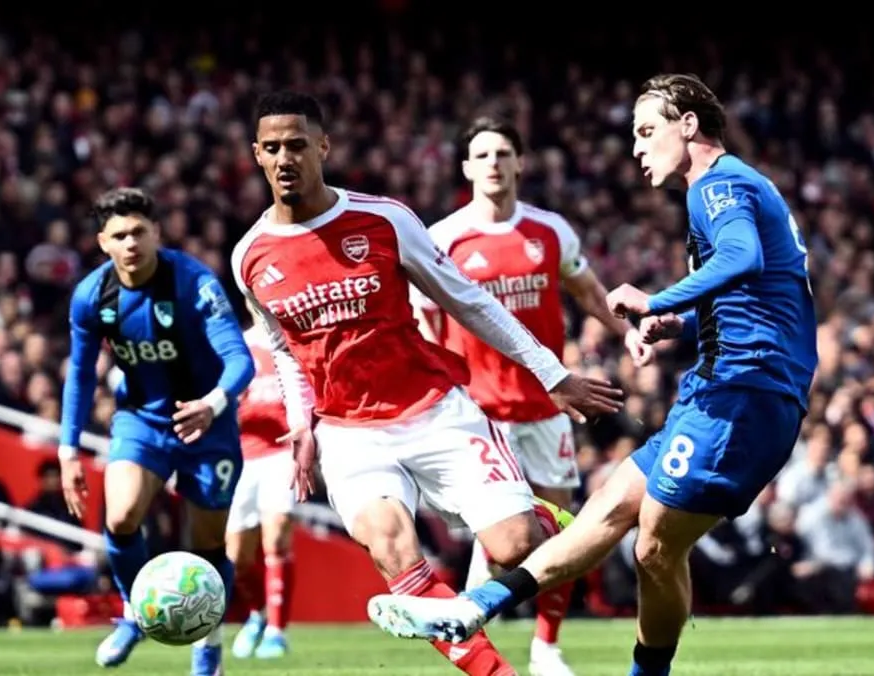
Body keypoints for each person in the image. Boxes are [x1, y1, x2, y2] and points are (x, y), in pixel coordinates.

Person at [366, 73, 819, 676]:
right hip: (720, 385)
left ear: (689, 124)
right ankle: (474, 608)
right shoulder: (733, 188)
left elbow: (744, 259)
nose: (636, 147)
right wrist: (683, 324)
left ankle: (623, 664)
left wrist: (659, 301)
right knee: (610, 507)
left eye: (647, 131)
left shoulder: (718, 184)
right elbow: (763, 290)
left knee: (654, 541)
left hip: (747, 394)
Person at [231, 90, 624, 676]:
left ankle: (545, 520)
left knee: (514, 546)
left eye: (296, 145)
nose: (285, 158)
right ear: (256, 156)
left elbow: (468, 302)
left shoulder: (384, 219)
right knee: (391, 549)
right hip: (348, 434)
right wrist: (301, 424)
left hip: (435, 409)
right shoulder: (250, 257)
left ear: (323, 146)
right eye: (272, 148)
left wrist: (553, 374)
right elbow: (286, 351)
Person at [412, 115, 653, 673]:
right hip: (477, 409)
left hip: (546, 405)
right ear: (467, 167)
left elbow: (591, 294)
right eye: (483, 155)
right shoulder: (444, 237)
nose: (494, 163)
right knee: (496, 533)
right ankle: (473, 644)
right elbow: (422, 318)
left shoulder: (550, 232)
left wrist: (630, 332)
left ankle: (546, 647)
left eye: (503, 153)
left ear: (520, 162)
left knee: (563, 525)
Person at [58, 187, 255, 675]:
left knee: (208, 546)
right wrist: (68, 450)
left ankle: (207, 643)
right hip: (141, 419)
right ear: (103, 242)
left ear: (156, 234)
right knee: (121, 516)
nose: (131, 243)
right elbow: (81, 375)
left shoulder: (193, 283)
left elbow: (239, 359)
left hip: (206, 424)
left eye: (139, 232)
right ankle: (132, 613)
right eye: (120, 235)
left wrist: (212, 405)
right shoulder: (91, 296)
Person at [228, 310, 297, 660]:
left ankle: (276, 631)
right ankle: (256, 614)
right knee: (237, 556)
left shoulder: (293, 342)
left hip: (282, 452)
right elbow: (221, 402)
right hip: (242, 457)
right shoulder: (237, 346)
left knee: (277, 535)